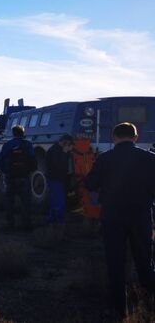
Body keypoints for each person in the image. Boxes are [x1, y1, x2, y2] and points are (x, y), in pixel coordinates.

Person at [84, 122, 155, 318]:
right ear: (136, 137)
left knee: (115, 263)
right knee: (144, 261)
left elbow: (89, 183)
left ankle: (119, 309)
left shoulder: (105, 159)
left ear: (114, 138)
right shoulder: (150, 158)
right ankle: (150, 302)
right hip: (141, 216)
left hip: (112, 216)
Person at [0, 125, 37, 231]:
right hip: (24, 177)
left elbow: (0, 160)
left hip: (10, 177)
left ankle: (10, 224)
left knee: (10, 202)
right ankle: (26, 225)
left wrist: (6, 172)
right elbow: (33, 159)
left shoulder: (7, 145)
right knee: (26, 202)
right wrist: (31, 171)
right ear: (23, 133)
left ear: (13, 133)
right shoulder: (28, 144)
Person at [45, 134, 74, 224]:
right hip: (55, 179)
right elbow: (58, 165)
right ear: (64, 142)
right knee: (58, 201)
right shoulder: (55, 150)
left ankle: (52, 220)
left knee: (55, 200)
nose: (69, 146)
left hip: (58, 179)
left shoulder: (57, 149)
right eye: (69, 144)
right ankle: (58, 222)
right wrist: (65, 153)